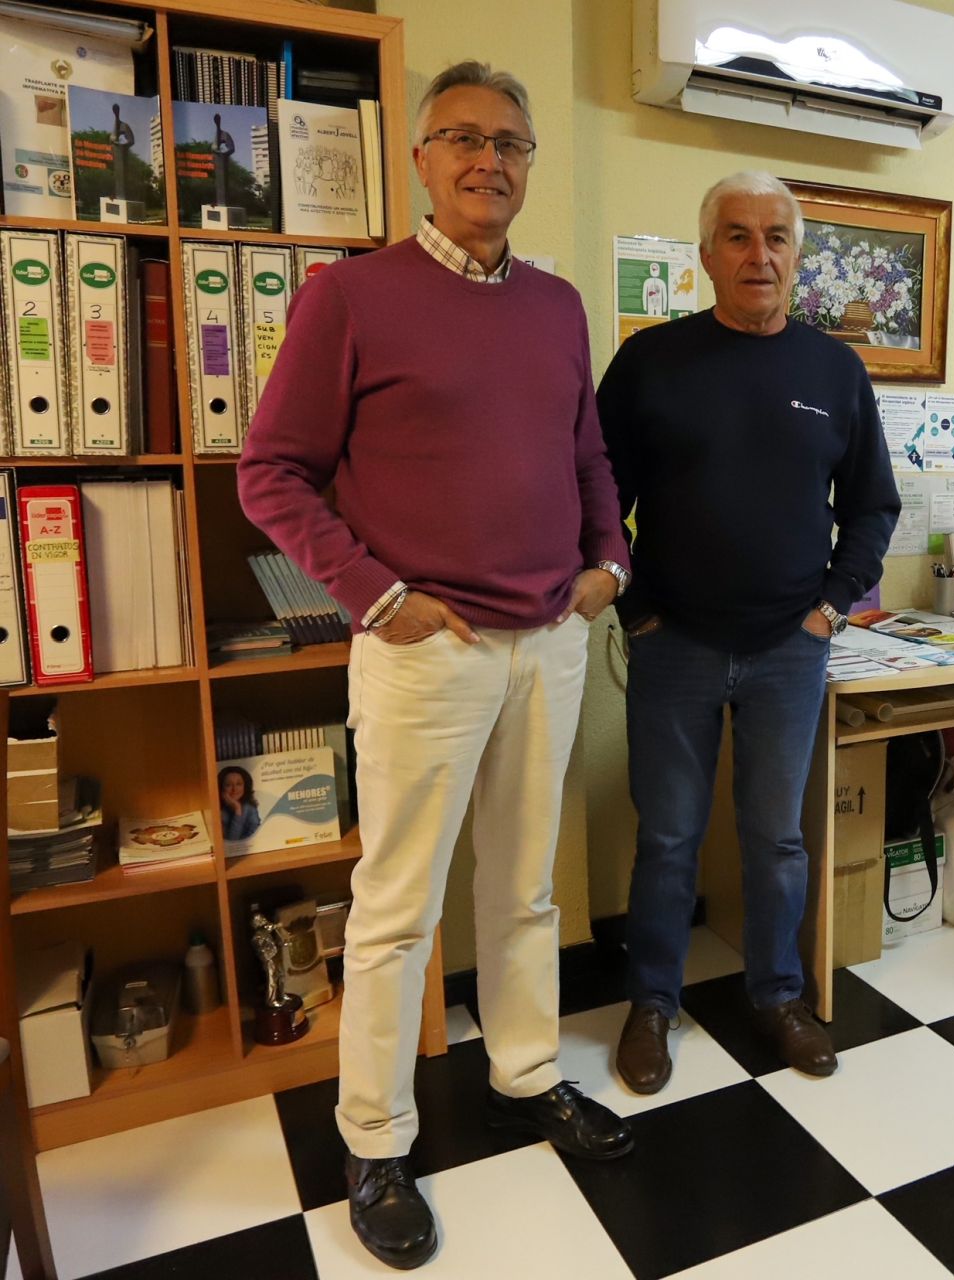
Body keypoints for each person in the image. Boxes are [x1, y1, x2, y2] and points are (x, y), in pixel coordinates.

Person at [237, 61, 635, 1270]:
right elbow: (272, 472)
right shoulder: (350, 297)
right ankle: (374, 1138)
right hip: (427, 649)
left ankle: (522, 1072)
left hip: (548, 640)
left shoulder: (559, 305)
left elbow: (587, 456)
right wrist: (378, 595)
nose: (488, 160)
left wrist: (607, 558)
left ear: (527, 164)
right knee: (398, 903)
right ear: (417, 160)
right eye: (461, 138)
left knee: (524, 886)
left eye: (510, 143)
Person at [596, 171, 900, 1095]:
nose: (757, 254)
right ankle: (652, 1002)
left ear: (798, 257)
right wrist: (635, 609)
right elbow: (599, 500)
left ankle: (777, 995)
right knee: (670, 838)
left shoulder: (835, 371)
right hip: (674, 642)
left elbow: (873, 506)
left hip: (787, 650)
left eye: (775, 237)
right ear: (705, 256)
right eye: (736, 236)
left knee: (776, 840)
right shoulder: (650, 363)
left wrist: (829, 608)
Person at [218, 765, 261, 843]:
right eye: (228, 785)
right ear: (221, 787)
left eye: (239, 784)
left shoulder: (250, 809)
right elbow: (231, 841)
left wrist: (237, 809)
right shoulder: (218, 810)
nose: (234, 789)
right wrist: (237, 809)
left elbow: (247, 840)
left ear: (245, 786)